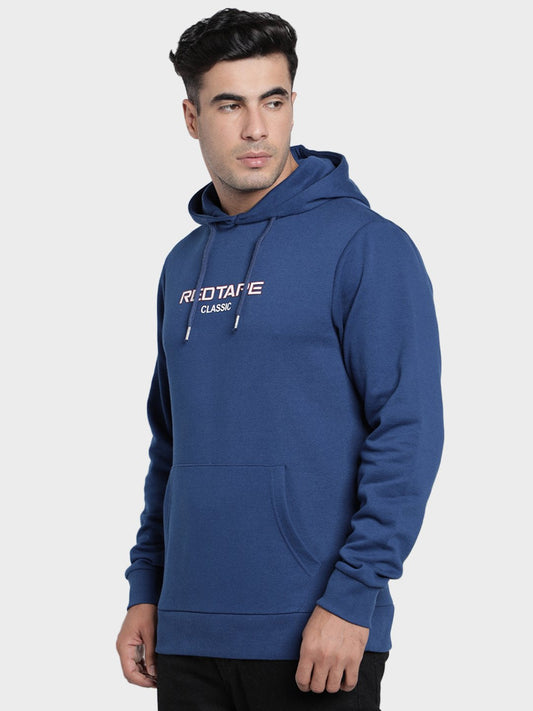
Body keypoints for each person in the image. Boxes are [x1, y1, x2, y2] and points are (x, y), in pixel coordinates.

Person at [116, 8, 444, 710]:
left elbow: (407, 431)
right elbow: (171, 444)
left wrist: (353, 596)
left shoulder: (366, 246)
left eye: (273, 101)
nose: (256, 129)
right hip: (187, 629)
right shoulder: (182, 264)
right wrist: (147, 588)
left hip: (316, 632)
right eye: (229, 105)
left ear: (293, 102)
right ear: (191, 116)